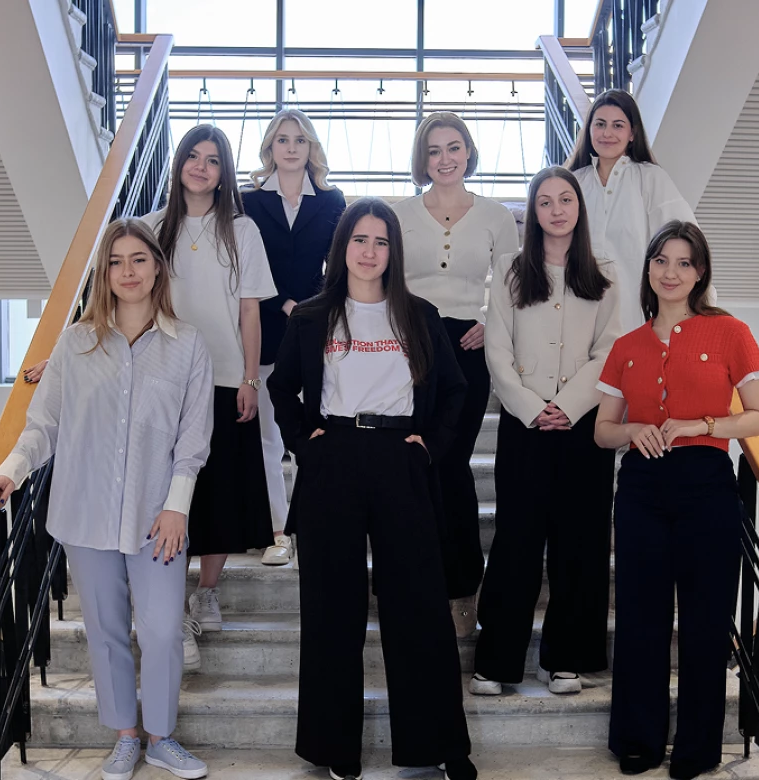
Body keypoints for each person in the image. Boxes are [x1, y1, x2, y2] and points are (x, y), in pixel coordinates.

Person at [0, 219, 213, 780]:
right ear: (104, 274)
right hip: (86, 511)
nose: (128, 271)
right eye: (115, 262)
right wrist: (10, 472)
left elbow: (193, 439)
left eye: (138, 260)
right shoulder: (75, 345)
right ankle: (125, 736)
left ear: (157, 268)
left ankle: (161, 738)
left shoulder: (188, 345)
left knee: (161, 630)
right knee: (105, 630)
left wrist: (177, 505)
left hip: (158, 516)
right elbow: (44, 425)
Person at [268, 197, 477, 780]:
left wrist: (429, 446)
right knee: (332, 608)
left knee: (419, 606)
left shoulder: (419, 315)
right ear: (343, 248)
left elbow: (456, 391)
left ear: (393, 251)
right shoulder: (312, 316)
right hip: (332, 457)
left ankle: (439, 745)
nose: (369, 251)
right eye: (360, 239)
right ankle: (335, 747)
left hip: (399, 457)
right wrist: (305, 443)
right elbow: (282, 388)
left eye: (381, 242)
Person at [594, 221, 759, 779]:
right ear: (648, 268)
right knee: (641, 616)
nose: (670, 272)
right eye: (661, 261)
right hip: (641, 487)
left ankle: (697, 748)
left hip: (706, 483)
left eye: (684, 263)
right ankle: (638, 740)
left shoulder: (730, 332)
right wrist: (632, 430)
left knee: (705, 618)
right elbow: (602, 430)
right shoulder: (626, 346)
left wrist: (703, 423)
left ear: (700, 273)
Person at [469, 166, 621, 698]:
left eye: (566, 200)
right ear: (533, 213)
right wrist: (533, 408)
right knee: (517, 541)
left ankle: (565, 659)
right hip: (524, 425)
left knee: (579, 543)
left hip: (583, 427)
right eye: (545, 202)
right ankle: (496, 661)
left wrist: (569, 405)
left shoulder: (604, 272)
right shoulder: (511, 270)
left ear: (580, 207)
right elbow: (497, 350)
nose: (557, 210)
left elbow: (609, 350)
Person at [141, 124, 277, 670]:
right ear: (178, 165)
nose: (201, 166)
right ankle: (170, 608)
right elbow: (123, 298)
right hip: (162, 377)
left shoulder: (242, 230)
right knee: (168, 494)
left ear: (224, 174)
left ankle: (207, 592)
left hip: (224, 376)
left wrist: (250, 378)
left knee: (220, 489)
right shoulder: (151, 227)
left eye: (213, 159)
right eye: (193, 156)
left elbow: (250, 311)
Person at [392, 111, 519, 637]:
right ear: (422, 159)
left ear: (468, 152)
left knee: (451, 463)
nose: (444, 159)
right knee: (412, 464)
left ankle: (463, 589)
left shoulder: (496, 216)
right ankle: (412, 585)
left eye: (453, 147)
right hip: (410, 346)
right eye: (434, 150)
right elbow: (383, 280)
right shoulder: (398, 214)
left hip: (467, 347)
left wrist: (491, 323)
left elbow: (513, 285)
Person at [241, 108, 346, 566]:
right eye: (282, 139)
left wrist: (311, 305)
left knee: (314, 431)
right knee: (268, 436)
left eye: (299, 140)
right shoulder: (248, 201)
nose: (290, 147)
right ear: (270, 147)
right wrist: (284, 301)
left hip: (316, 327)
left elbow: (339, 264)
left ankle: (314, 522)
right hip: (262, 326)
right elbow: (244, 266)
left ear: (311, 148)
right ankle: (278, 531)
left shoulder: (331, 199)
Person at [567, 89, 697, 333]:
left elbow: (687, 241)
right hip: (577, 316)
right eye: (600, 124)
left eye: (617, 125)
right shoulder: (573, 183)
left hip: (633, 317)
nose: (607, 133)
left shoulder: (650, 178)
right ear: (589, 130)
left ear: (632, 133)